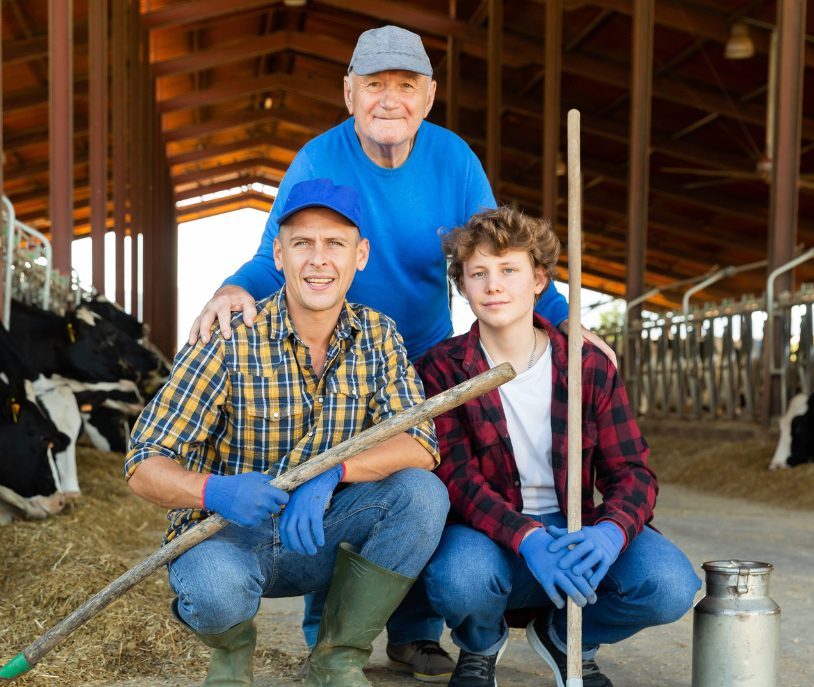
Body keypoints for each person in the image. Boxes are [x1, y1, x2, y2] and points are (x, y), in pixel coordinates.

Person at [186, 24, 615, 682]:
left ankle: (414, 633)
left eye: (406, 85)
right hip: (342, 358)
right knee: (330, 486)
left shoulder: (453, 160)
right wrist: (231, 288)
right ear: (349, 92)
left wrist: (565, 320)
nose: (390, 99)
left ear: (429, 96)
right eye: (375, 84)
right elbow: (278, 253)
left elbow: (493, 247)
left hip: (424, 358)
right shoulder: (318, 158)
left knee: (421, 489)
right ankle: (330, 641)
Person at [124, 179, 449, 687]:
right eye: (302, 243)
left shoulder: (379, 336)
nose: (319, 260)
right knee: (213, 588)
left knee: (422, 495)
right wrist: (215, 491)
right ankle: (231, 654)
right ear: (279, 254)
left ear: (360, 255)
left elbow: (421, 445)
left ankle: (336, 659)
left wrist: (333, 473)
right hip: (228, 538)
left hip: (321, 532)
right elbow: (143, 461)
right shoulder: (229, 337)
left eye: (335, 243)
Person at [416, 207, 701, 687]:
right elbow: (456, 480)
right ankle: (481, 644)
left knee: (669, 585)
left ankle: (567, 638)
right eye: (478, 273)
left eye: (509, 270)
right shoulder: (442, 369)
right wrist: (526, 536)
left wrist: (610, 532)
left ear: (539, 280)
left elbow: (632, 471)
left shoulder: (586, 365)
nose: (493, 286)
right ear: (462, 286)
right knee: (459, 578)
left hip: (577, 529)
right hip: (489, 533)